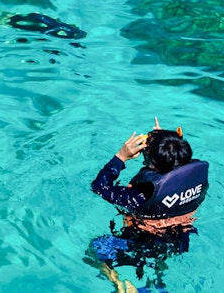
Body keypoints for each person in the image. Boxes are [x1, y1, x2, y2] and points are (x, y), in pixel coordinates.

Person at [87, 119, 209, 293]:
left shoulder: (141, 196)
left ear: (151, 163)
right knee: (160, 263)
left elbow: (99, 187)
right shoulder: (194, 183)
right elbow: (176, 157)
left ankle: (119, 284)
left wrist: (120, 157)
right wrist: (166, 141)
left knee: (96, 247)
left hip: (143, 242)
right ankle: (157, 286)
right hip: (179, 241)